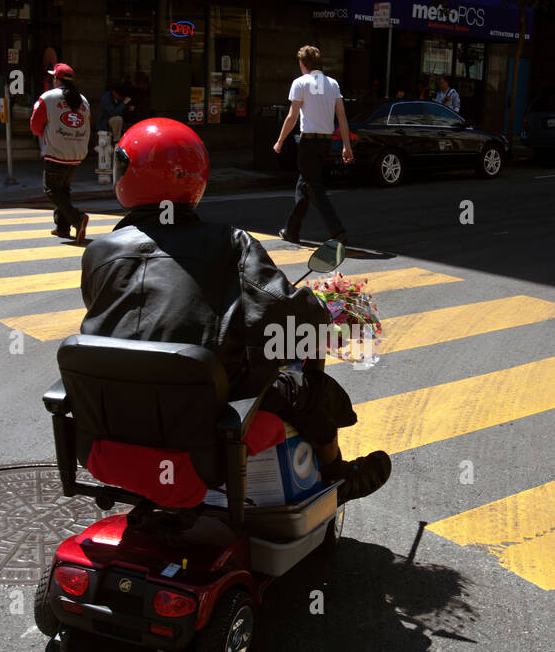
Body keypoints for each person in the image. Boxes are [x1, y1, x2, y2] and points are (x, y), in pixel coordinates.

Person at [81, 118, 392, 503]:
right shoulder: (230, 244)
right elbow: (291, 317)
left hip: (103, 438)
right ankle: (338, 478)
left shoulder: (98, 253)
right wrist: (325, 316)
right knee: (310, 390)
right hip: (202, 442)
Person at [273, 45, 353, 245]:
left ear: (303, 63)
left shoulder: (299, 83)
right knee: (305, 184)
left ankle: (337, 231)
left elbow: (292, 117)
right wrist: (346, 145)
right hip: (325, 142)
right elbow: (342, 117)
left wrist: (280, 140)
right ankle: (291, 230)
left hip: (308, 141)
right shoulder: (333, 84)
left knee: (314, 186)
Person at [30, 62, 91, 242]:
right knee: (63, 190)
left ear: (56, 79)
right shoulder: (83, 100)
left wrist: (48, 134)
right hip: (76, 153)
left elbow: (35, 126)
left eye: (53, 77)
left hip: (56, 152)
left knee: (51, 190)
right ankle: (62, 227)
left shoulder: (48, 97)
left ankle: (77, 218)